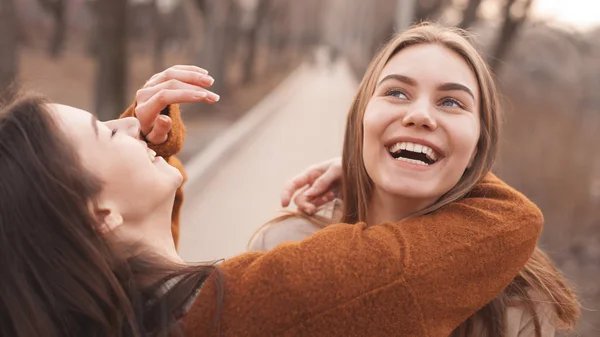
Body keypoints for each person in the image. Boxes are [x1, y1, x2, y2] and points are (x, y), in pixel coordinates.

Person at [1, 26, 542, 337]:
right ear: (101, 216)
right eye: (106, 131)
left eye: (450, 102)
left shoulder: (122, 314)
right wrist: (375, 166)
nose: (130, 123)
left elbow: (147, 267)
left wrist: (142, 156)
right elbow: (510, 222)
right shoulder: (264, 299)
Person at [249, 24, 580, 336]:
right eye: (396, 93)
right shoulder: (281, 245)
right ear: (362, 117)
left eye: (451, 102)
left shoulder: (520, 301)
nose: (420, 115)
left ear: (478, 142)